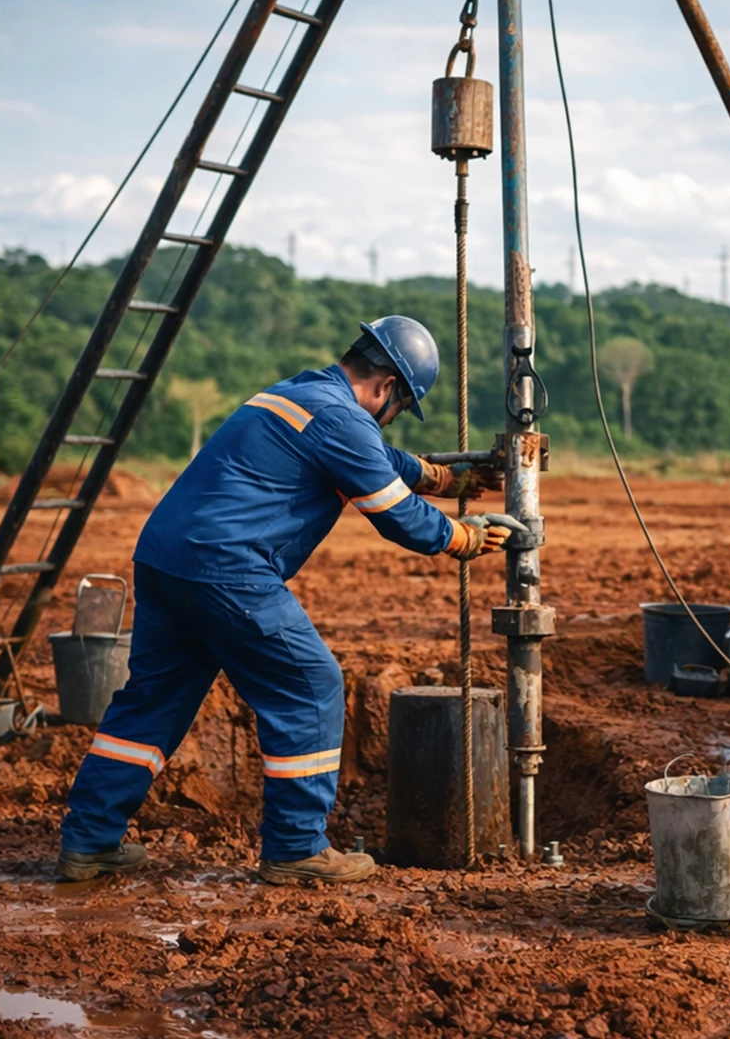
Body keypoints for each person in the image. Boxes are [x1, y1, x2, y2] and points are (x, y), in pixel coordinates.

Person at [56, 315, 515, 886]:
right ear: (387, 388)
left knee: (152, 702)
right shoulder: (342, 418)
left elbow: (368, 452)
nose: (388, 415)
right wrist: (462, 536)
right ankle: (297, 848)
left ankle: (88, 842)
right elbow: (397, 515)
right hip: (228, 568)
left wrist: (438, 477)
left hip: (166, 559)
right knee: (309, 686)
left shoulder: (298, 392)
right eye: (396, 407)